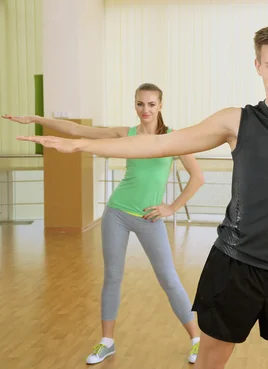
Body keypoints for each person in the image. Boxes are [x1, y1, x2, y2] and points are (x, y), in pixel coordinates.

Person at [15, 24, 268, 369]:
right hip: (234, 264)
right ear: (257, 66)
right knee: (211, 360)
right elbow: (161, 143)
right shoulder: (236, 120)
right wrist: (78, 143)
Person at [3, 83, 205, 365]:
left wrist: (171, 207)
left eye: (150, 104)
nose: (144, 110)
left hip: (150, 217)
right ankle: (107, 341)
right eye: (139, 104)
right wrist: (37, 119)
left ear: (160, 105)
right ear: (134, 105)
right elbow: (77, 131)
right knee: (112, 277)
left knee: (169, 280)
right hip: (118, 212)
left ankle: (196, 339)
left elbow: (198, 177)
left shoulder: (174, 139)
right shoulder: (126, 134)